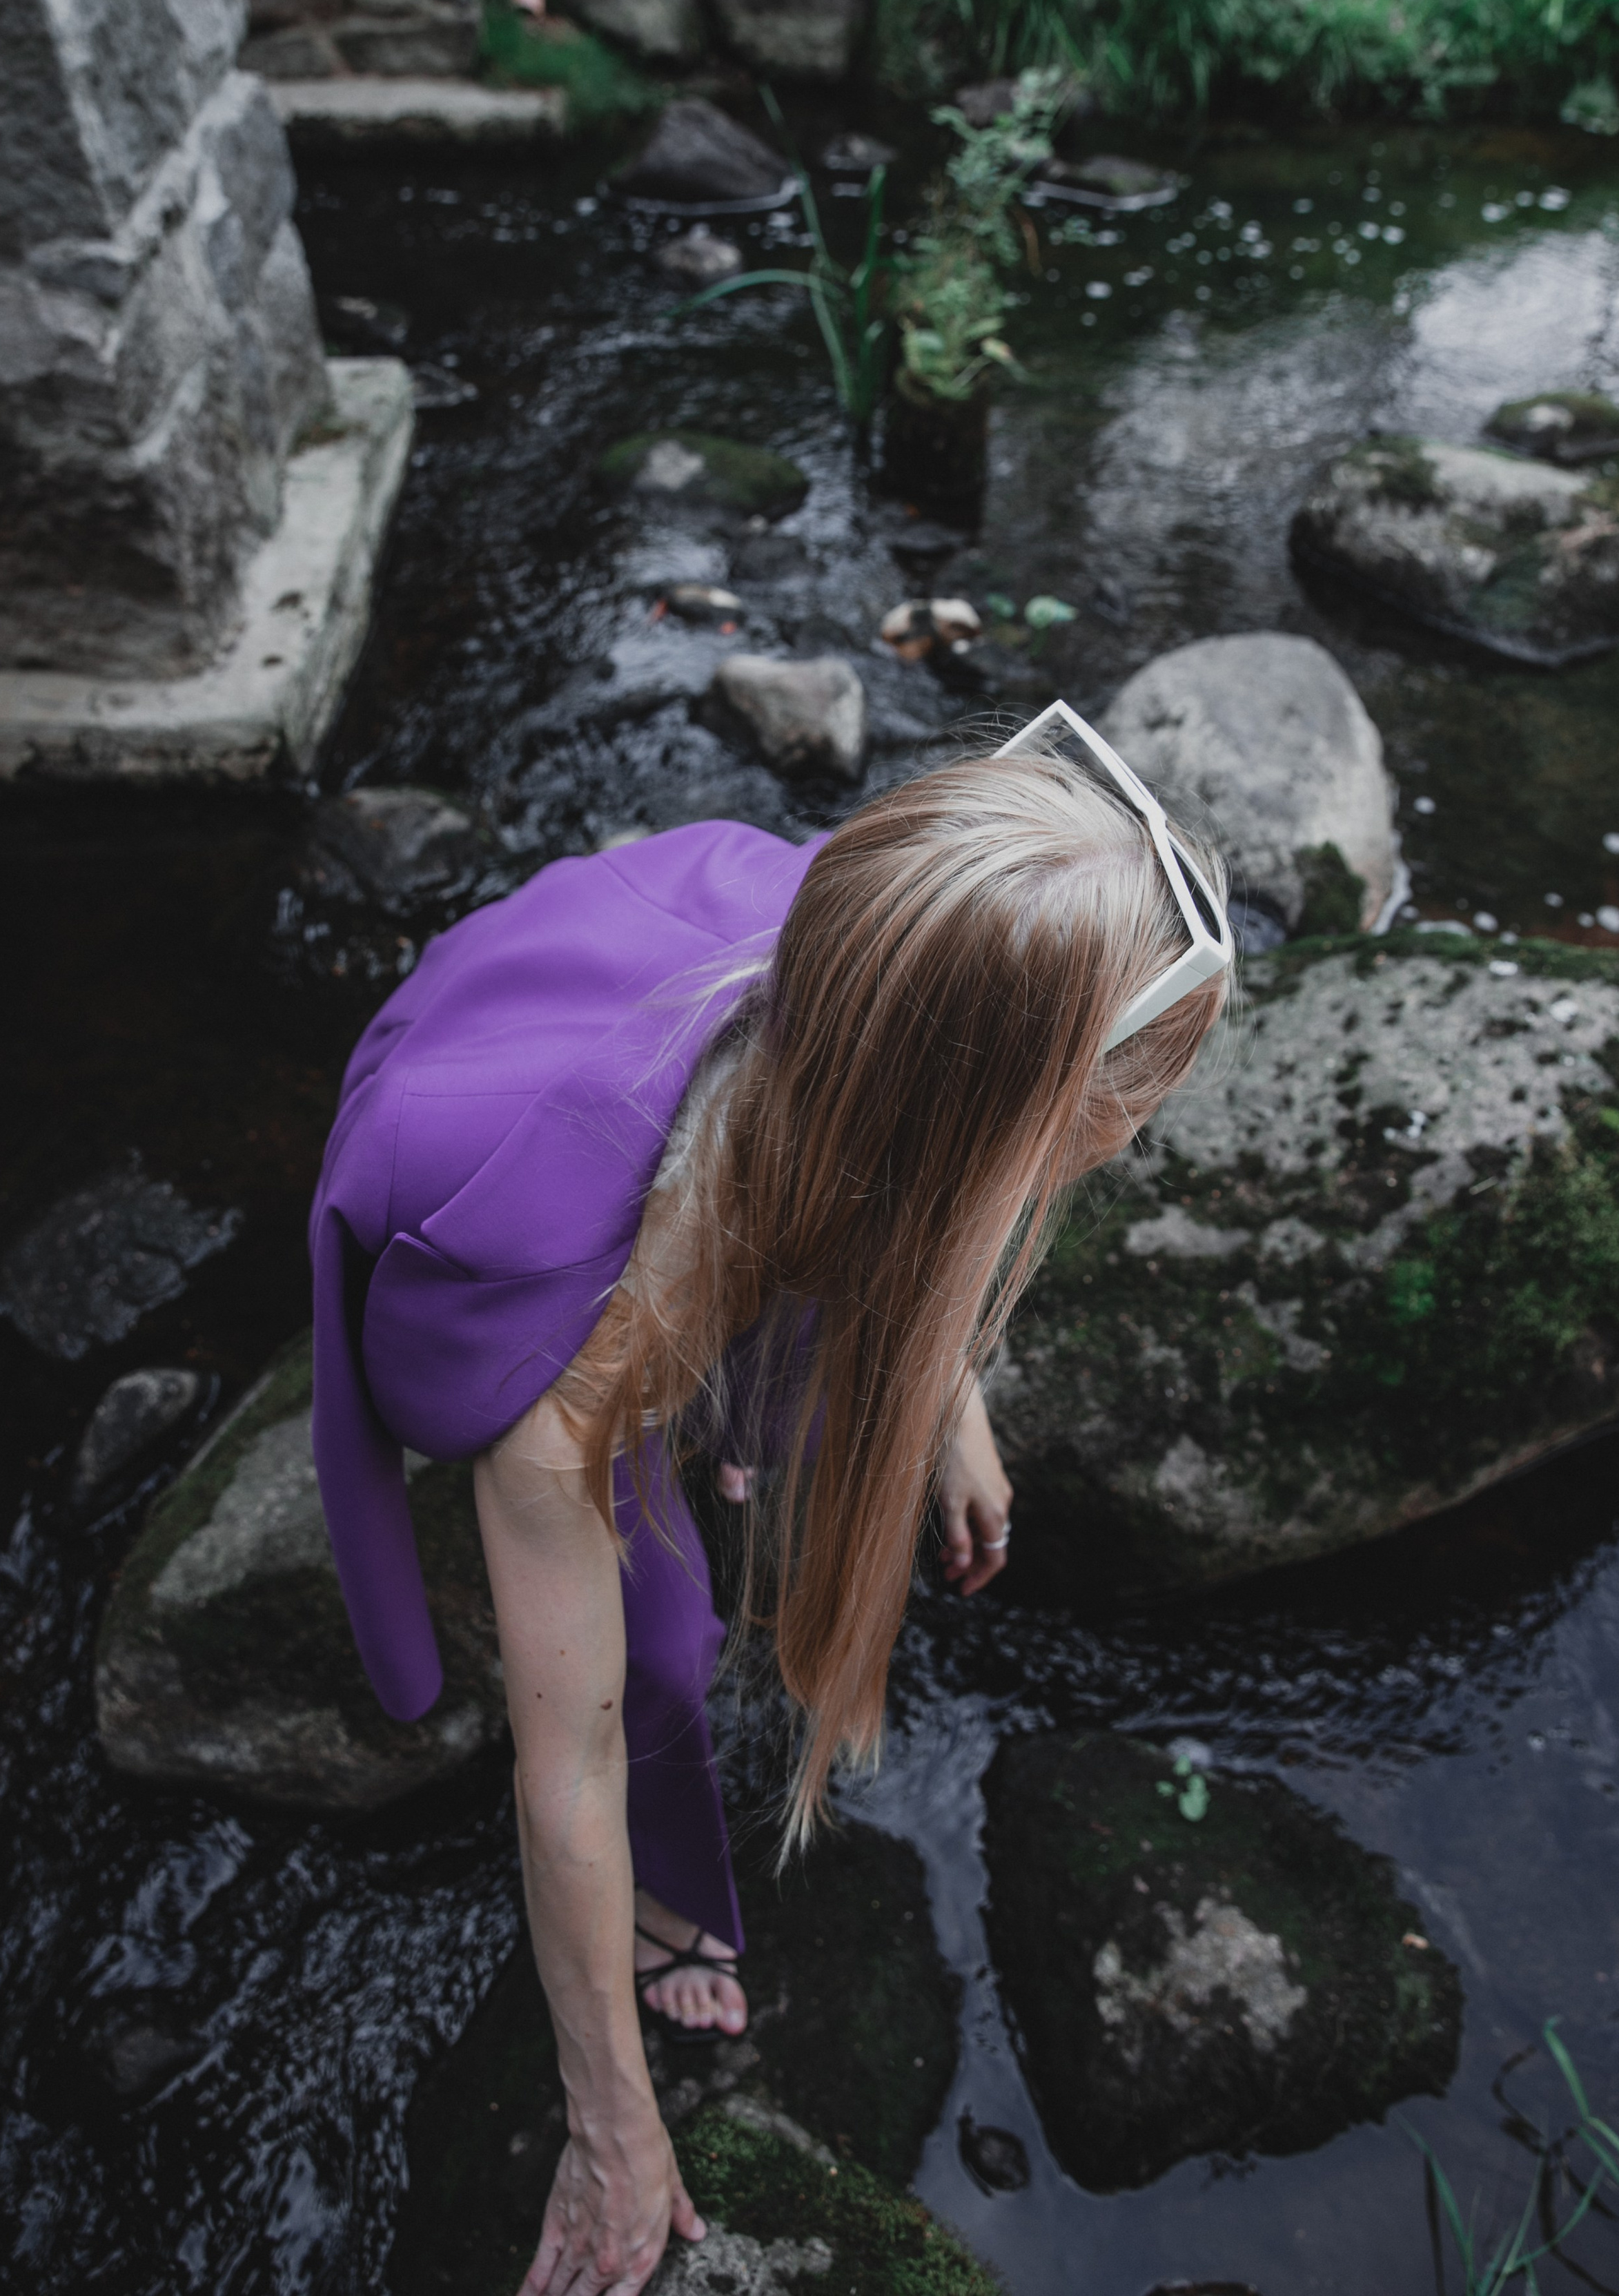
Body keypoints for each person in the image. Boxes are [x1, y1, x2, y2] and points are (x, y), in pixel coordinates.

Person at [309, 706, 1231, 2296]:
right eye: (1115, 1115)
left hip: (731, 1034)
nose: (1130, 1138)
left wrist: (949, 1401)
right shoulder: (567, 1352)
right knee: (654, 1649)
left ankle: (749, 1399)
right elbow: (567, 1760)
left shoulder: (899, 949)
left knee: (788, 1365)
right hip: (504, 1132)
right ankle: (673, 1910)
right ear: (986, 1138)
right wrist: (612, 2125)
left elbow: (916, 1184)